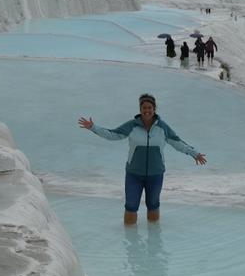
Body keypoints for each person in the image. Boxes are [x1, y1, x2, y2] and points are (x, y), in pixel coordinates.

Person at [78, 93, 207, 225]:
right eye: (144, 108)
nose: (147, 111)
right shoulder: (132, 125)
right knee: (131, 206)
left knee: (153, 205)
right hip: (134, 174)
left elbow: (177, 143)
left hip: (156, 174)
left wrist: (194, 153)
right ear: (140, 110)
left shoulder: (162, 127)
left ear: (154, 109)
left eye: (149, 107)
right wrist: (93, 127)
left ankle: (154, 240)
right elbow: (113, 135)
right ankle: (130, 241)